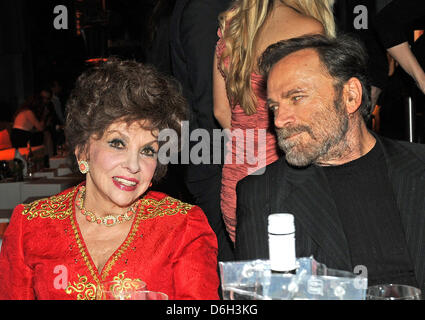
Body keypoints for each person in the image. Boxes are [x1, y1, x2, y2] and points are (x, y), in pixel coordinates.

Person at [0, 59, 219, 300]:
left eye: (148, 150)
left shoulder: (183, 226)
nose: (134, 166)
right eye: (117, 143)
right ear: (83, 150)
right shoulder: (30, 227)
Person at [235, 34, 425, 290]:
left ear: (351, 96)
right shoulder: (263, 193)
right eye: (274, 107)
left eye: (296, 97)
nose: (279, 120)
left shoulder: (419, 167)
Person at [213, 0, 336, 242]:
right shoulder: (309, 29)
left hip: (236, 183)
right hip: (291, 180)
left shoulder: (233, 26)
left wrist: (251, 146)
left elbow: (220, 110)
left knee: (257, 275)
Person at [170, 0, 235, 262]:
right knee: (227, 264)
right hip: (214, 156)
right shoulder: (204, 7)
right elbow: (208, 100)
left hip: (212, 151)